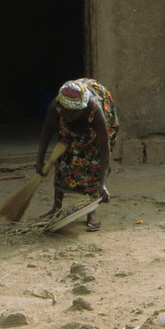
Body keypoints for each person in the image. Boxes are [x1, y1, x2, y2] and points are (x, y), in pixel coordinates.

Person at [36, 78, 118, 231]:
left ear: (82, 107)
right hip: (71, 134)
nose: (68, 116)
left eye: (73, 113)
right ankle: (56, 207)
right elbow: (47, 129)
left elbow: (104, 149)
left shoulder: (95, 109)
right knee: (63, 158)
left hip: (96, 136)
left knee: (93, 162)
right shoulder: (56, 105)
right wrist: (39, 159)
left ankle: (91, 211)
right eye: (66, 113)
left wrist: (102, 184)